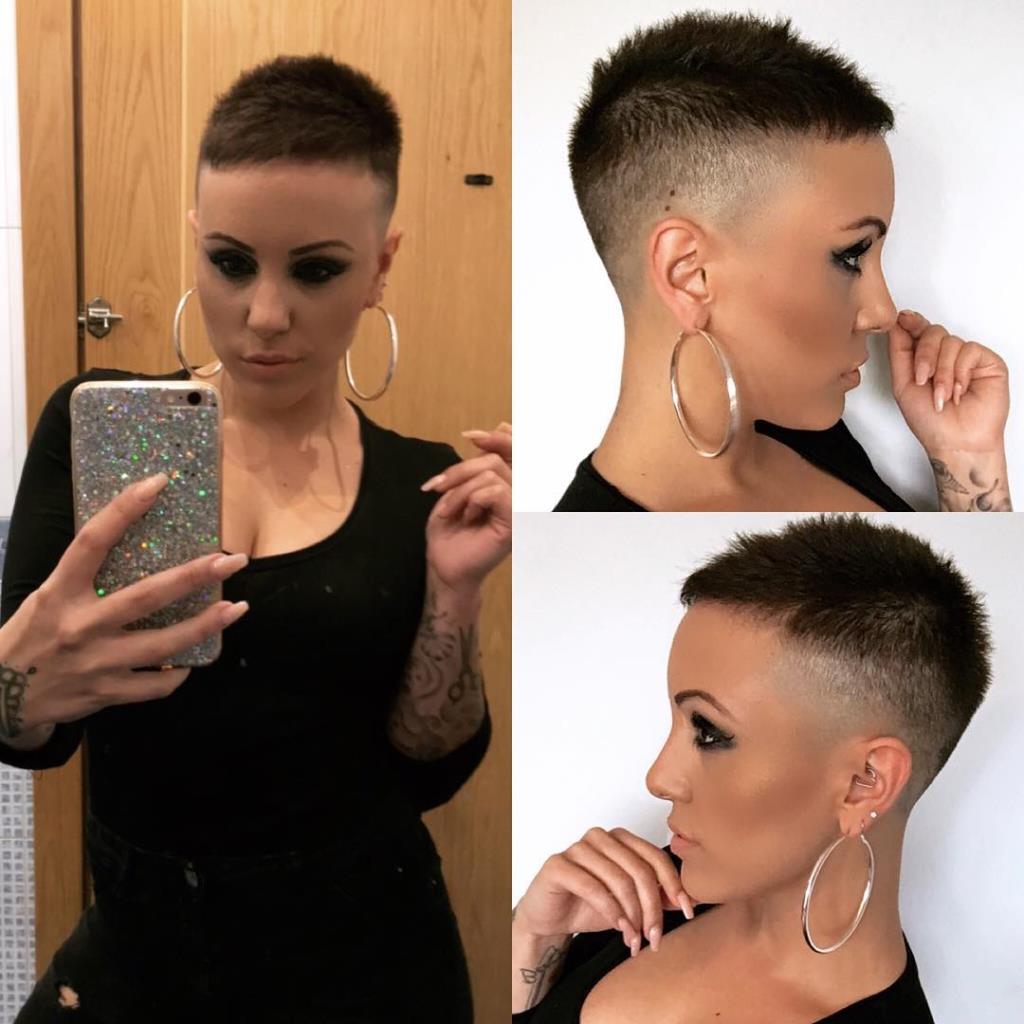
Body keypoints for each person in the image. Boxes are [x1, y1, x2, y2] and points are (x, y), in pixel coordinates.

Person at [0, 54, 510, 1023]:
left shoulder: (420, 484)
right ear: (196, 242)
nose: (265, 315)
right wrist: (13, 674)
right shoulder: (94, 430)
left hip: (368, 964)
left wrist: (456, 589)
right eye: (231, 262)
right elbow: (27, 737)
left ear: (381, 265)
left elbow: (430, 766)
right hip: (144, 951)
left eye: (315, 269)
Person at [512, 515, 994, 1021]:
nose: (658, 779)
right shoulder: (650, 890)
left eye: (709, 732)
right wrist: (534, 938)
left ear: (864, 783)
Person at [553, 12, 1011, 513]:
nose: (882, 313)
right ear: (689, 274)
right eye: (851, 255)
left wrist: (967, 456)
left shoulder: (813, 435)